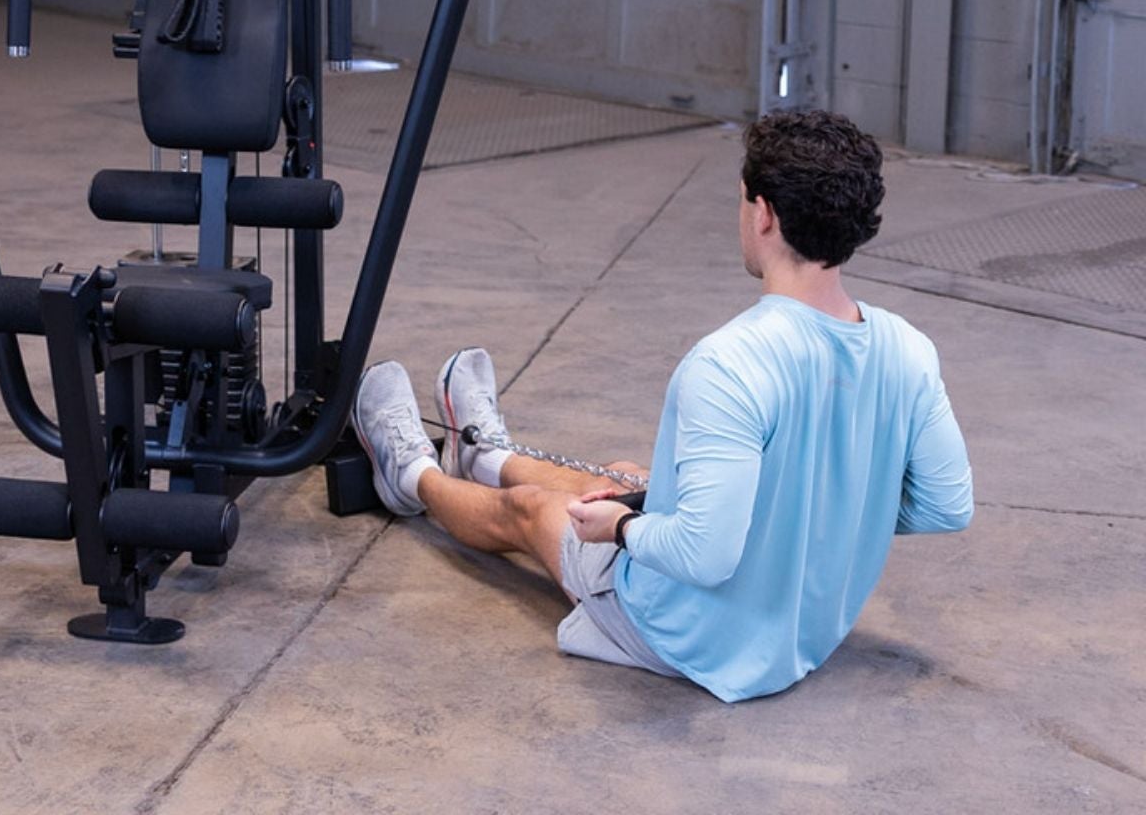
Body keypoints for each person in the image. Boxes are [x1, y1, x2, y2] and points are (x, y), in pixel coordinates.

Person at [351, 108, 975, 702]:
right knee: (623, 477)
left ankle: (411, 475)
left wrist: (621, 528)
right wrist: (811, 514)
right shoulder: (908, 349)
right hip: (798, 629)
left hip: (694, 636)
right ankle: (484, 454)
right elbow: (946, 505)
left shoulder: (729, 364)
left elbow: (705, 555)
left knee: (534, 510)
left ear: (763, 214)